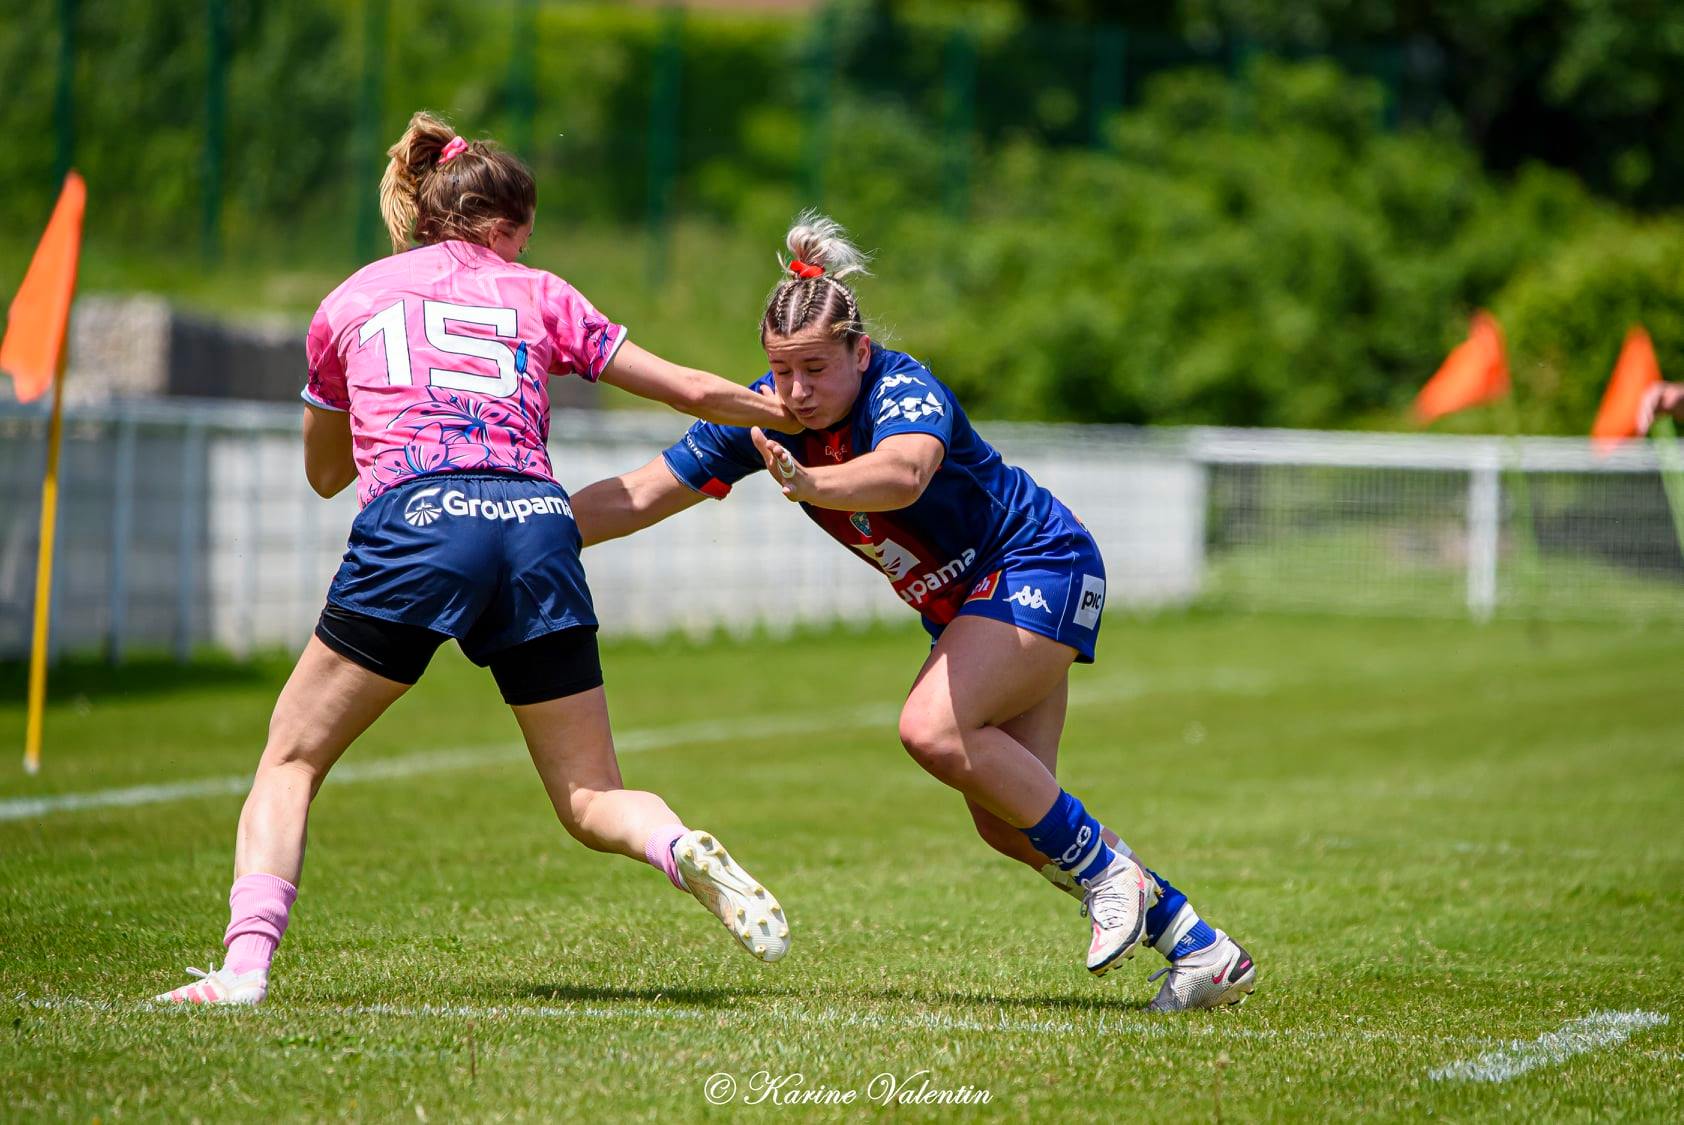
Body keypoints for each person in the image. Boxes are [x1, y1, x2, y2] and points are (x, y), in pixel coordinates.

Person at [152, 112, 795, 1006]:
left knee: (292, 758)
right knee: (589, 795)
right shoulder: (540, 292)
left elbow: (325, 475)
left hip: (420, 522)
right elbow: (690, 389)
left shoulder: (351, 299)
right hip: (536, 522)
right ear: (508, 227)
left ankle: (243, 970)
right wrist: (790, 414)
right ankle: (676, 844)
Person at [568, 213, 1257, 1011]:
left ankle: (1112, 877)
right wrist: (529, 529)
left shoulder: (902, 388)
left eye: (817, 369)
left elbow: (904, 472)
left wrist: (811, 483)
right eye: (781, 371)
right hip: (976, 604)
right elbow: (644, 490)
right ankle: (1198, 947)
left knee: (929, 729)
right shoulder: (766, 418)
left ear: (861, 353)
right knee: (1008, 821)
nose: (796, 391)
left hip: (1041, 565)